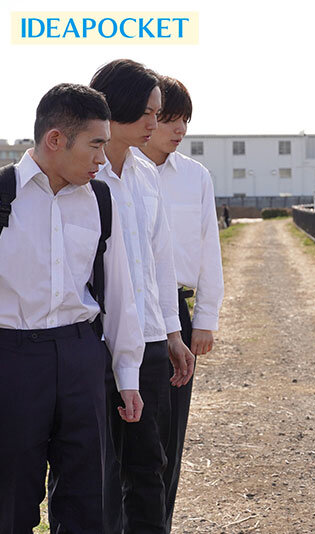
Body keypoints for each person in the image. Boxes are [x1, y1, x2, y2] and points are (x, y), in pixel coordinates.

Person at [0, 83, 144, 533]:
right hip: (11, 362)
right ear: (55, 139)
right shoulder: (3, 194)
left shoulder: (101, 200)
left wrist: (128, 375)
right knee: (9, 503)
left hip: (82, 358)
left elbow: (119, 291)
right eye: (95, 145)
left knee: (88, 507)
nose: (103, 158)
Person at [90, 59, 195, 534]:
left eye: (158, 113)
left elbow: (160, 262)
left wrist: (172, 333)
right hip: (95, 341)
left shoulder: (146, 175)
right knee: (91, 471)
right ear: (117, 107)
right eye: (148, 112)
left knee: (150, 466)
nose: (155, 122)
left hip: (151, 340)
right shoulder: (82, 176)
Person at [136, 75, 224, 531]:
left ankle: (161, 523)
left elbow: (209, 249)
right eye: (169, 118)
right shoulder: (117, 170)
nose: (179, 129)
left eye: (185, 120)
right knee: (128, 436)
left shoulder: (195, 176)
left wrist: (205, 318)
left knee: (169, 435)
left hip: (179, 311)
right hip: (128, 308)